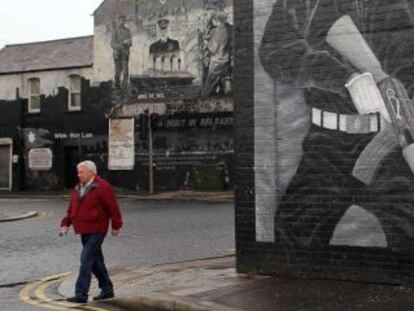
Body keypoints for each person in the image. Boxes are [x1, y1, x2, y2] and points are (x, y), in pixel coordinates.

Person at [259, 0, 414, 251]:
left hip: (391, 140)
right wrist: (345, 78)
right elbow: (277, 53)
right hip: (326, 147)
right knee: (292, 238)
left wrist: (396, 95)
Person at [59, 160, 123, 303]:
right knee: (96, 262)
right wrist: (65, 224)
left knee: (86, 259)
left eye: (81, 172)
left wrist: (116, 225)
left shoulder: (103, 187)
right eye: (78, 172)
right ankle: (107, 289)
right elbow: (72, 209)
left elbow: (113, 207)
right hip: (83, 229)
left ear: (91, 172)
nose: (78, 175)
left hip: (97, 229)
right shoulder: (78, 188)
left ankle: (81, 294)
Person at [201, 12, 233, 97]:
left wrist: (207, 44)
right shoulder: (231, 29)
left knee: (207, 87)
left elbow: (212, 49)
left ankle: (203, 99)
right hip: (228, 61)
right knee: (227, 85)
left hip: (217, 62)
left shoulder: (216, 31)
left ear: (218, 19)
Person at [111, 15, 132, 89]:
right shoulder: (115, 31)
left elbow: (130, 43)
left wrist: (128, 42)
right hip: (117, 54)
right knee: (118, 72)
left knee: (125, 72)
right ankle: (117, 87)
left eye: (124, 20)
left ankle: (125, 88)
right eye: (121, 20)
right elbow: (112, 44)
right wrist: (122, 44)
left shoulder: (127, 31)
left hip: (125, 54)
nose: (122, 22)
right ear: (118, 21)